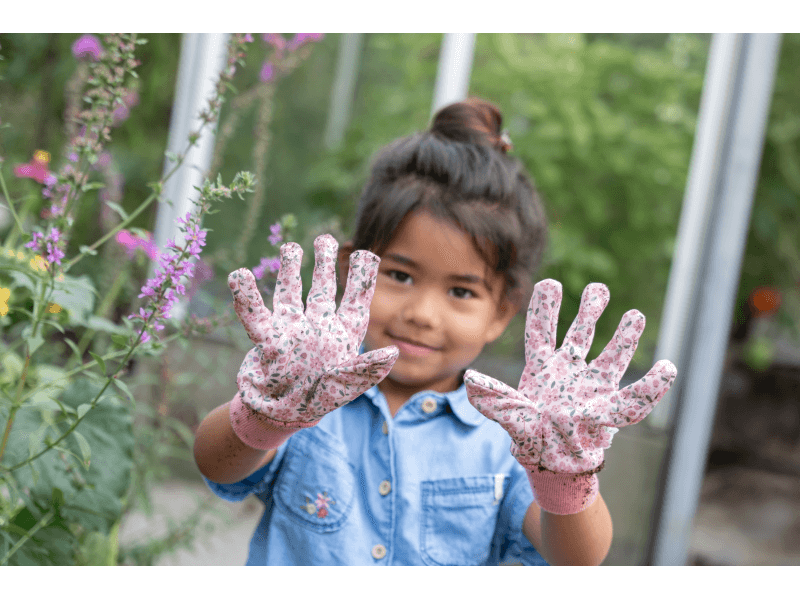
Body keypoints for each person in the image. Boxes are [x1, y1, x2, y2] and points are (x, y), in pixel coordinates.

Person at [193, 97, 677, 566]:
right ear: (351, 270)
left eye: (461, 291)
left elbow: (577, 559)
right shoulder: (307, 393)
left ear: (502, 312)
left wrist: (565, 473)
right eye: (400, 276)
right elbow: (216, 463)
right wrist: (268, 415)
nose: (423, 314)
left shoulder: (514, 438)